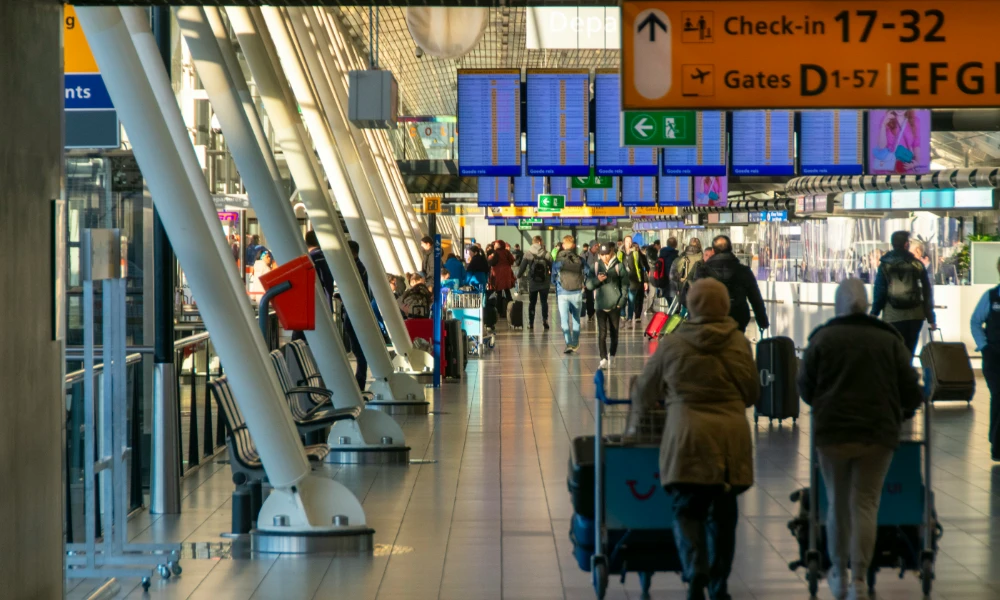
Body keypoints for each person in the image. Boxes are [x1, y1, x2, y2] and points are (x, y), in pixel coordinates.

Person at [629, 278, 758, 600]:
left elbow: (645, 390)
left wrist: (641, 419)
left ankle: (695, 568)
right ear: (725, 304)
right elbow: (752, 393)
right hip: (730, 440)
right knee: (724, 514)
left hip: (687, 436)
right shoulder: (739, 343)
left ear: (691, 304)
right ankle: (719, 583)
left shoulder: (673, 344)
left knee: (688, 509)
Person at [798, 279, 922, 600]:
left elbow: (805, 386)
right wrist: (901, 411)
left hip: (833, 434)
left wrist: (824, 404)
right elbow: (911, 388)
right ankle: (860, 581)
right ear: (866, 304)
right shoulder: (889, 340)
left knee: (837, 503)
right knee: (866, 504)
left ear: (838, 304)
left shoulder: (822, 337)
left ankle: (838, 574)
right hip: (877, 434)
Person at [870, 231, 936, 355]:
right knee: (908, 351)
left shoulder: (885, 265)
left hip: (893, 316)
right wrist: (930, 317)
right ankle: (907, 371)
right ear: (906, 244)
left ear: (893, 244)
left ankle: (897, 373)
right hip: (915, 315)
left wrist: (874, 313)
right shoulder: (917, 264)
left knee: (894, 352)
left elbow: (880, 291)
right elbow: (927, 292)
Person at [692, 236, 768, 333]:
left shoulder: (703, 271)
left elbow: (695, 297)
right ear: (730, 249)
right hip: (738, 318)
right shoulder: (743, 271)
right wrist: (762, 321)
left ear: (713, 251)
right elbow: (755, 297)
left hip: (711, 319)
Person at [970, 257, 1000, 461]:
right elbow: (975, 322)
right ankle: (997, 445)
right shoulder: (991, 297)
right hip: (994, 357)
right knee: (999, 397)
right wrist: (985, 347)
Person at [586, 243, 627, 370]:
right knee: (602, 333)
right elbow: (588, 285)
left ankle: (612, 356)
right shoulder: (596, 266)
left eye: (606, 254)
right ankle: (603, 358)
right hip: (600, 304)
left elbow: (625, 286)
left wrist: (620, 303)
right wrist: (598, 280)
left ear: (612, 252)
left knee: (614, 332)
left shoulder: (619, 266)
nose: (604, 257)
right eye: (601, 254)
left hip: (615, 305)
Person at [292, 231, 336, 342]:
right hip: (325, 304)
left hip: (310, 308)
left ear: (306, 242)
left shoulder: (311, 258)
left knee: (300, 341)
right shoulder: (327, 258)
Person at [345, 240, 370, 392]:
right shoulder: (360, 267)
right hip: (357, 310)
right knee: (358, 349)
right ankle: (359, 381)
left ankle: (360, 381)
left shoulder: (356, 268)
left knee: (359, 350)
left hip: (356, 311)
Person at [554, 235, 586, 353]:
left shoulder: (558, 260)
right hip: (577, 292)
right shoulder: (579, 259)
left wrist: (557, 285)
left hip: (562, 292)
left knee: (564, 320)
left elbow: (553, 277)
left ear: (563, 245)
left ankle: (568, 343)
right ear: (573, 245)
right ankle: (575, 342)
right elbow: (587, 272)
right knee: (576, 319)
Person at [515, 236, 552, 330]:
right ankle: (545, 320)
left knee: (532, 303)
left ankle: (531, 323)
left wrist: (518, 276)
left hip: (532, 282)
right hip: (544, 282)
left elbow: (522, 268)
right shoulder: (547, 253)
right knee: (544, 302)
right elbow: (552, 267)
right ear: (540, 242)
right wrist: (551, 277)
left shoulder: (528, 253)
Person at [621, 236, 650, 326]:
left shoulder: (636, 253)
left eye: (630, 241)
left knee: (631, 300)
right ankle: (622, 315)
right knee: (622, 298)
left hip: (634, 281)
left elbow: (642, 267)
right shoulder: (619, 253)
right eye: (627, 241)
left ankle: (630, 317)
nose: (628, 243)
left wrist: (645, 281)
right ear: (624, 242)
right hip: (622, 280)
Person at [671, 238, 703, 307]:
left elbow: (672, 275)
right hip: (699, 289)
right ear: (700, 246)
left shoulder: (681, 257)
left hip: (683, 289)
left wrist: (680, 279)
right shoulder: (703, 257)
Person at [488, 240, 517, 305]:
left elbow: (492, 263)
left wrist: (490, 257)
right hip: (507, 273)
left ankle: (499, 309)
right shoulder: (507, 252)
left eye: (495, 244)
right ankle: (511, 306)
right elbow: (512, 261)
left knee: (499, 291)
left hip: (498, 274)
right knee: (507, 290)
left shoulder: (496, 253)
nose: (494, 246)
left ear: (499, 245)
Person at [656, 237, 680, 302]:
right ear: (676, 245)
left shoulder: (662, 254)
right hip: (672, 283)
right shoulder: (675, 256)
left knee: (670, 302)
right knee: (674, 304)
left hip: (662, 281)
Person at [583, 240, 600, 322]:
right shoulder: (585, 255)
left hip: (598, 278)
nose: (597, 247)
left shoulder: (599, 255)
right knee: (589, 298)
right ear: (591, 246)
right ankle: (590, 313)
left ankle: (598, 312)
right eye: (595, 246)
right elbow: (582, 268)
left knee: (598, 297)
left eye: (597, 246)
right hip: (588, 280)